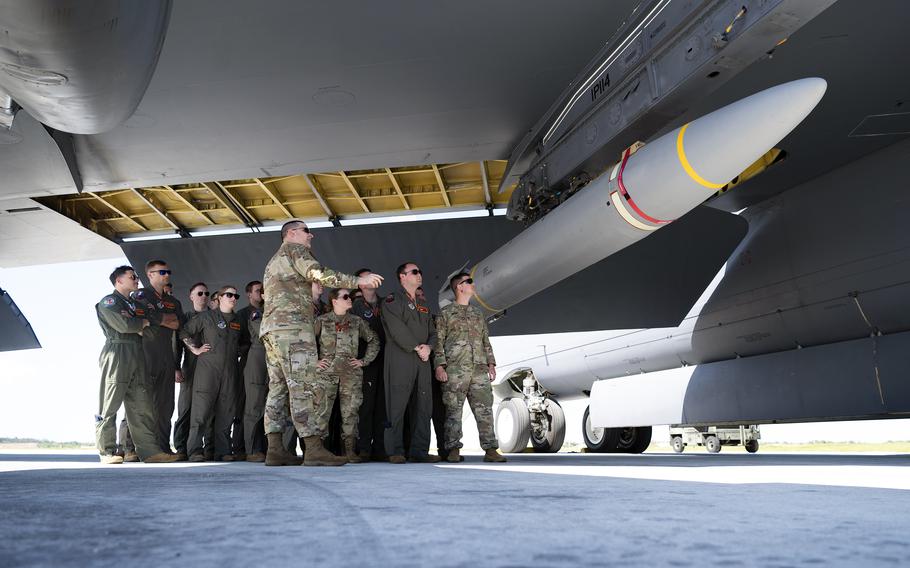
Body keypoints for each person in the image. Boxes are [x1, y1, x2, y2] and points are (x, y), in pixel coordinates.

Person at [260, 220, 382, 467]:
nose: (311, 236)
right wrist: (358, 281)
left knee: (279, 387)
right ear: (291, 233)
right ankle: (314, 447)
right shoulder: (295, 250)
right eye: (306, 231)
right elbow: (319, 274)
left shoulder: (273, 260)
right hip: (293, 329)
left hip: (273, 329)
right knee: (304, 386)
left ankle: (274, 449)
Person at [95, 266, 179, 464]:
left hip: (138, 352)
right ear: (119, 281)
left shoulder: (134, 304)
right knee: (110, 403)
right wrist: (142, 323)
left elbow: (150, 322)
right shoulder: (109, 302)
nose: (137, 280)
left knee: (142, 403)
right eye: (132, 277)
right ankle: (107, 451)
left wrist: (142, 323)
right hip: (118, 352)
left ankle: (149, 451)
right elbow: (125, 326)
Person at [434, 273, 506, 463]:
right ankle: (453, 450)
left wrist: (491, 363)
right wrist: (439, 366)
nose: (473, 285)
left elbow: (485, 341)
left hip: (479, 370)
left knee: (485, 411)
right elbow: (438, 342)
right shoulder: (446, 313)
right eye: (470, 282)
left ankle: (491, 450)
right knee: (453, 412)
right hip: (455, 371)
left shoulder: (477, 313)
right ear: (460, 287)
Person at [381, 262, 439, 464]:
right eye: (414, 272)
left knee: (423, 405)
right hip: (401, 357)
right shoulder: (391, 301)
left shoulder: (423, 304)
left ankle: (419, 450)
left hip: (422, 359)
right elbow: (397, 330)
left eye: (420, 271)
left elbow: (433, 331)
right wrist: (417, 347)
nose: (419, 274)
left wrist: (429, 348)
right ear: (402, 277)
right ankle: (395, 450)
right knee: (396, 404)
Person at [180, 285, 244, 461]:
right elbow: (184, 331)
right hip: (208, 371)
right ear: (220, 298)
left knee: (226, 412)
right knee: (201, 412)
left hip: (229, 372)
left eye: (235, 295)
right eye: (229, 295)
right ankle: (194, 451)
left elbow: (244, 342)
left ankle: (222, 451)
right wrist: (195, 349)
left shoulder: (238, 321)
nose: (233, 298)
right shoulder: (206, 317)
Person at [314, 289, 379, 463]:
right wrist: (314, 361)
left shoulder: (357, 322)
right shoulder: (322, 321)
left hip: (351, 374)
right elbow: (306, 343)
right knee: (321, 412)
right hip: (326, 375)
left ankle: (349, 451)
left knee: (350, 412)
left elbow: (374, 340)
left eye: (349, 297)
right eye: (345, 297)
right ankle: (317, 450)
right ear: (334, 301)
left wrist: (363, 361)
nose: (349, 299)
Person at [137, 260, 184, 454]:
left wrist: (157, 319)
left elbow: (177, 324)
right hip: (146, 353)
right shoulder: (140, 296)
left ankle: (163, 447)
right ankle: (133, 448)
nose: (166, 275)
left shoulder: (173, 302)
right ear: (150, 274)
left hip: (166, 354)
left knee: (166, 405)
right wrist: (164, 319)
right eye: (162, 272)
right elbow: (142, 318)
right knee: (143, 402)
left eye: (168, 271)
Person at [351, 268, 387, 461]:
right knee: (366, 406)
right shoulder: (355, 306)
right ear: (359, 284)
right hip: (365, 362)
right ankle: (364, 447)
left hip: (385, 360)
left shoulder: (386, 304)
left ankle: (380, 447)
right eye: (367, 278)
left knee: (383, 406)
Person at [173, 282, 211, 460]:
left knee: (205, 410)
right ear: (191, 297)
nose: (203, 296)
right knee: (186, 408)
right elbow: (177, 345)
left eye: (206, 293)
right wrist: (176, 367)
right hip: (190, 366)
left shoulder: (213, 317)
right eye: (199, 293)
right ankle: (181, 448)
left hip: (210, 369)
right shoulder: (186, 318)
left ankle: (201, 448)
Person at [237, 280, 268, 461]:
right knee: (253, 407)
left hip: (271, 362)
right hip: (255, 361)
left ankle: (266, 448)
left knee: (269, 408)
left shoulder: (272, 313)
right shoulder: (254, 314)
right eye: (259, 291)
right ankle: (251, 449)